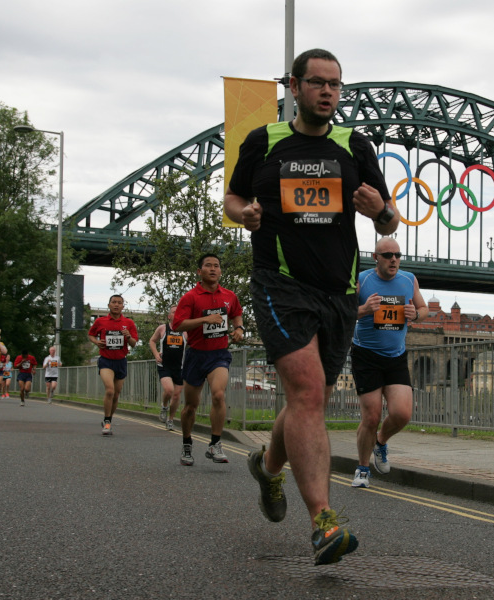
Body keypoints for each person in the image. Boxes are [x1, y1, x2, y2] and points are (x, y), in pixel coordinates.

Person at [224, 48, 397, 565]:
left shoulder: (354, 145)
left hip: (339, 291)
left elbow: (389, 221)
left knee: (311, 398)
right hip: (281, 284)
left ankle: (267, 467)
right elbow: (231, 200)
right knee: (306, 392)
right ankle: (324, 522)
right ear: (293, 88)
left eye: (336, 85)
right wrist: (247, 214)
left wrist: (381, 211)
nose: (328, 92)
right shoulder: (265, 141)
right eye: (317, 83)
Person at [350, 237, 428, 488]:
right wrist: (363, 309)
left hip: (396, 356)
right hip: (366, 355)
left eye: (397, 254)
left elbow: (424, 308)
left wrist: (415, 314)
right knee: (371, 417)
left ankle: (380, 442)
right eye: (387, 255)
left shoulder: (408, 279)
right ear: (375, 257)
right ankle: (362, 469)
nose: (393, 259)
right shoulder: (361, 280)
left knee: (402, 414)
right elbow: (342, 310)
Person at [172, 254, 244, 466]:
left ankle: (215, 443)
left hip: (219, 354)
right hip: (196, 354)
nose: (213, 269)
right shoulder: (190, 297)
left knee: (218, 395)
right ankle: (187, 443)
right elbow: (178, 325)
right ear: (199, 271)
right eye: (208, 266)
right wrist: (205, 319)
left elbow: (237, 314)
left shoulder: (230, 296)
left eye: (217, 266)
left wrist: (239, 328)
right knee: (191, 407)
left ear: (221, 271)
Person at [88, 294, 139, 435]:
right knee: (109, 390)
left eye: (119, 302)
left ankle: (109, 418)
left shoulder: (129, 323)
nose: (116, 305)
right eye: (114, 302)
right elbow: (91, 334)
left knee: (116, 395)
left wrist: (128, 337)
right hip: (106, 360)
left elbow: (134, 344)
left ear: (123, 306)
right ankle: (107, 421)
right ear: (109, 305)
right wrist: (96, 342)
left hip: (121, 361)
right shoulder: (101, 321)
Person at [148, 305, 186, 431]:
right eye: (174, 312)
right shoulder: (162, 328)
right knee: (169, 390)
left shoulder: (186, 331)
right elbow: (152, 341)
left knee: (176, 396)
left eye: (179, 312)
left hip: (179, 367)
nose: (177, 314)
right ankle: (164, 406)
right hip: (164, 365)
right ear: (169, 316)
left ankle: (170, 420)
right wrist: (156, 354)